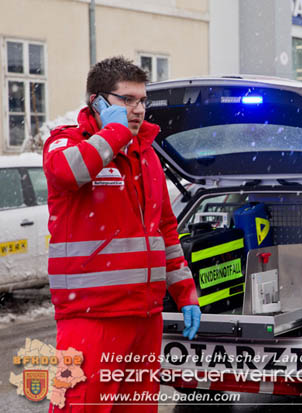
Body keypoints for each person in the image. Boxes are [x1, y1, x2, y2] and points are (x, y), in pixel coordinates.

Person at [43, 56, 201, 412]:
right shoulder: (65, 143)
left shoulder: (146, 156)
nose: (138, 109)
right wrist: (112, 134)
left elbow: (166, 231)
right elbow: (67, 173)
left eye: (142, 100)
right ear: (96, 102)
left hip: (144, 317)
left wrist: (185, 293)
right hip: (90, 317)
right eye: (126, 100)